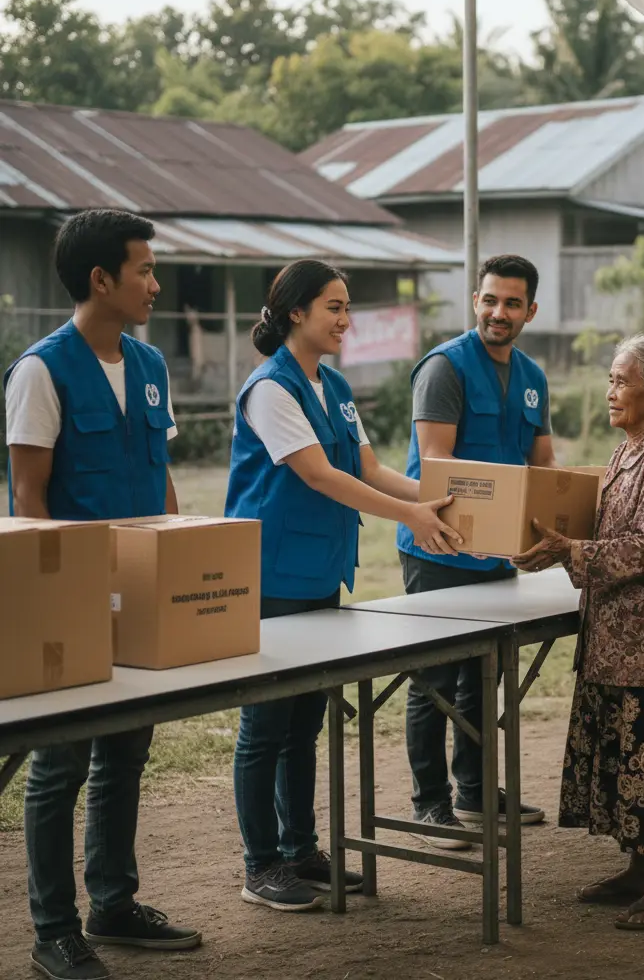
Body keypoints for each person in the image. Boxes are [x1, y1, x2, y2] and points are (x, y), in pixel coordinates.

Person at [225, 259, 461, 910]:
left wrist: (444, 500)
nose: (346, 320)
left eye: (347, 307)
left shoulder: (331, 386)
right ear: (296, 311)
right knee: (265, 724)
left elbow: (369, 467)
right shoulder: (271, 389)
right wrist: (413, 515)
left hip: (320, 571)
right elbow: (321, 476)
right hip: (272, 575)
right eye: (334, 306)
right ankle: (261, 865)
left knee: (304, 719)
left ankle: (300, 850)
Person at [3, 210, 201, 980]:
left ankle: (112, 904)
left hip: (141, 597)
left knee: (127, 751)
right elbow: (27, 498)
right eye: (145, 270)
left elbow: (162, 479)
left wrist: (180, 560)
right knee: (60, 768)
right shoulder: (40, 371)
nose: (155, 284)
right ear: (101, 280)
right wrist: (54, 607)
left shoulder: (149, 367)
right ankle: (54, 929)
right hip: (70, 601)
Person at [513, 334, 644, 930]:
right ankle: (638, 871)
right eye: (612, 380)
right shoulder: (626, 452)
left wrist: (574, 550)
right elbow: (603, 535)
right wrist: (557, 550)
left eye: (622, 381)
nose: (610, 391)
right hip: (616, 640)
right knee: (627, 761)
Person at [396, 254, 552, 848]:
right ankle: (428, 803)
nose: (498, 312)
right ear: (475, 300)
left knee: (483, 676)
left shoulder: (534, 378)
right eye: (489, 299)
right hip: (439, 549)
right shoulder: (445, 368)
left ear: (530, 311)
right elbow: (436, 463)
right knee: (432, 678)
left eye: (512, 303)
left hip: (495, 555)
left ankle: (476, 791)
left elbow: (543, 464)